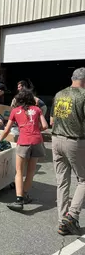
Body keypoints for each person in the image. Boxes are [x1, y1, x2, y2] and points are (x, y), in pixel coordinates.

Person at [0, 89, 48, 211]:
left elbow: (7, 130)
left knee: (19, 171)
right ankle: (25, 194)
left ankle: (19, 200)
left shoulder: (15, 111)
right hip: (37, 141)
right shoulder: (37, 109)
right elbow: (45, 126)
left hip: (24, 142)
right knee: (31, 171)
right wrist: (36, 130)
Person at [51, 67, 85, 236]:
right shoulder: (83, 96)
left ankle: (62, 222)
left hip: (56, 139)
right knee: (83, 180)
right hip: (75, 141)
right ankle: (71, 215)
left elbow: (52, 119)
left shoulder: (59, 94)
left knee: (62, 182)